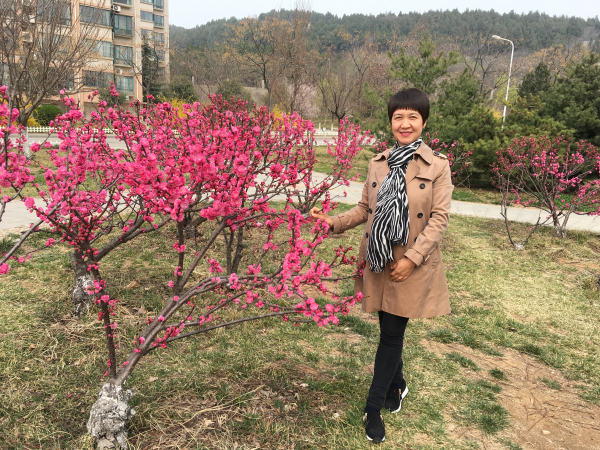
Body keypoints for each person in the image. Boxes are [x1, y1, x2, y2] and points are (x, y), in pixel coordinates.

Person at [310, 88, 453, 443]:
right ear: (391, 121)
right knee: (389, 329)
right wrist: (333, 222)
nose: (405, 123)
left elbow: (439, 219)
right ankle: (398, 384)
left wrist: (411, 259)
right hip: (378, 257)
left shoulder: (438, 166)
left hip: (410, 263)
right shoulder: (378, 163)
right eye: (398, 117)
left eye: (412, 117)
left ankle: (372, 409)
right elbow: (365, 209)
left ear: (423, 122)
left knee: (391, 334)